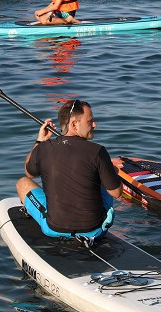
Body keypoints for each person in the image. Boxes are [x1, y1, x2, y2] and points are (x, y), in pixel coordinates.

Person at [16, 99, 122, 239]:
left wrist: (40, 141)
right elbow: (116, 193)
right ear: (74, 124)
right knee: (112, 173)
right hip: (94, 231)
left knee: (22, 183)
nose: (94, 125)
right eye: (90, 121)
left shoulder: (44, 148)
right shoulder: (98, 151)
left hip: (53, 229)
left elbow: (29, 173)